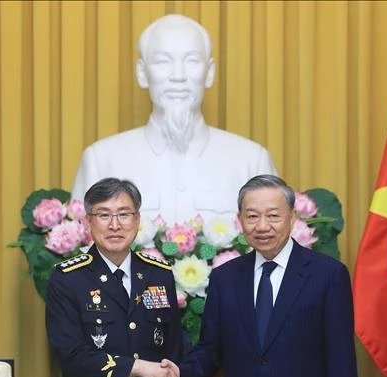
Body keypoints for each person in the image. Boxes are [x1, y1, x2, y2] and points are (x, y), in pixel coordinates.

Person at [161, 175, 358, 377]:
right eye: (252, 216)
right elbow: (210, 350)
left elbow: (341, 363)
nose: (262, 225)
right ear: (240, 221)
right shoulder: (226, 278)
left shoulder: (327, 275)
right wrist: (178, 372)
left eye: (273, 215)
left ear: (292, 218)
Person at [45, 178, 188, 377]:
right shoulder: (68, 280)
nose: (115, 225)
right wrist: (138, 368)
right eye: (104, 215)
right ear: (88, 222)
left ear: (137, 220)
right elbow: (72, 358)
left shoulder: (158, 274)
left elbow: (173, 353)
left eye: (124, 214)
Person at [71, 14, 277, 225]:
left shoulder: (251, 161)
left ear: (210, 73)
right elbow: (82, 249)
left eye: (192, 61)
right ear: (142, 72)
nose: (178, 76)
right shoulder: (101, 160)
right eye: (162, 61)